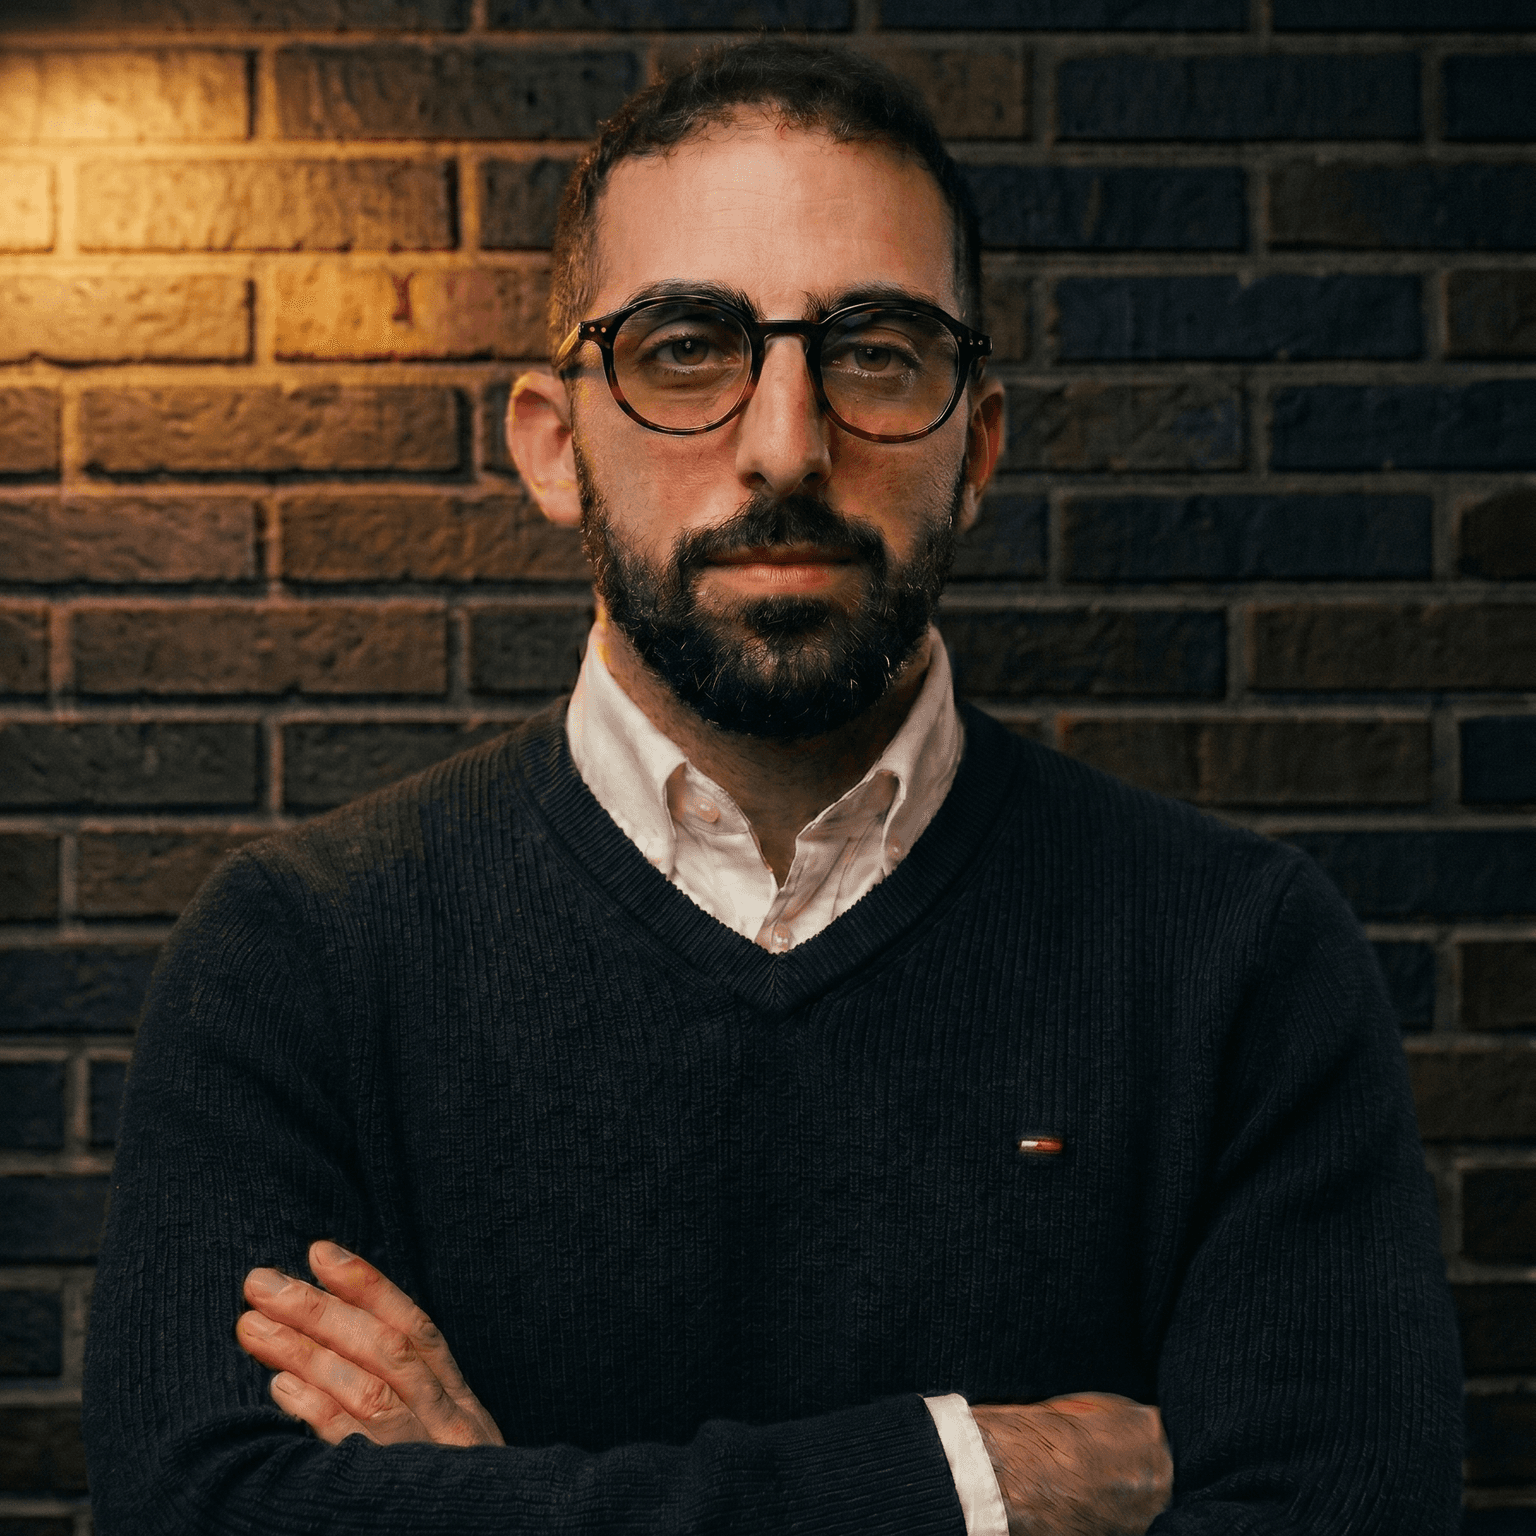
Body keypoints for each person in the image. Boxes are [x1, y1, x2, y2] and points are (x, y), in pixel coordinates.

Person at [82, 40, 1462, 1536]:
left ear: (978, 447)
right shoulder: (298, 956)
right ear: (553, 446)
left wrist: (484, 1507)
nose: (787, 447)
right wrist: (969, 1482)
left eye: (878, 353)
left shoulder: (1239, 953)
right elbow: (199, 1514)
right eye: (686, 348)